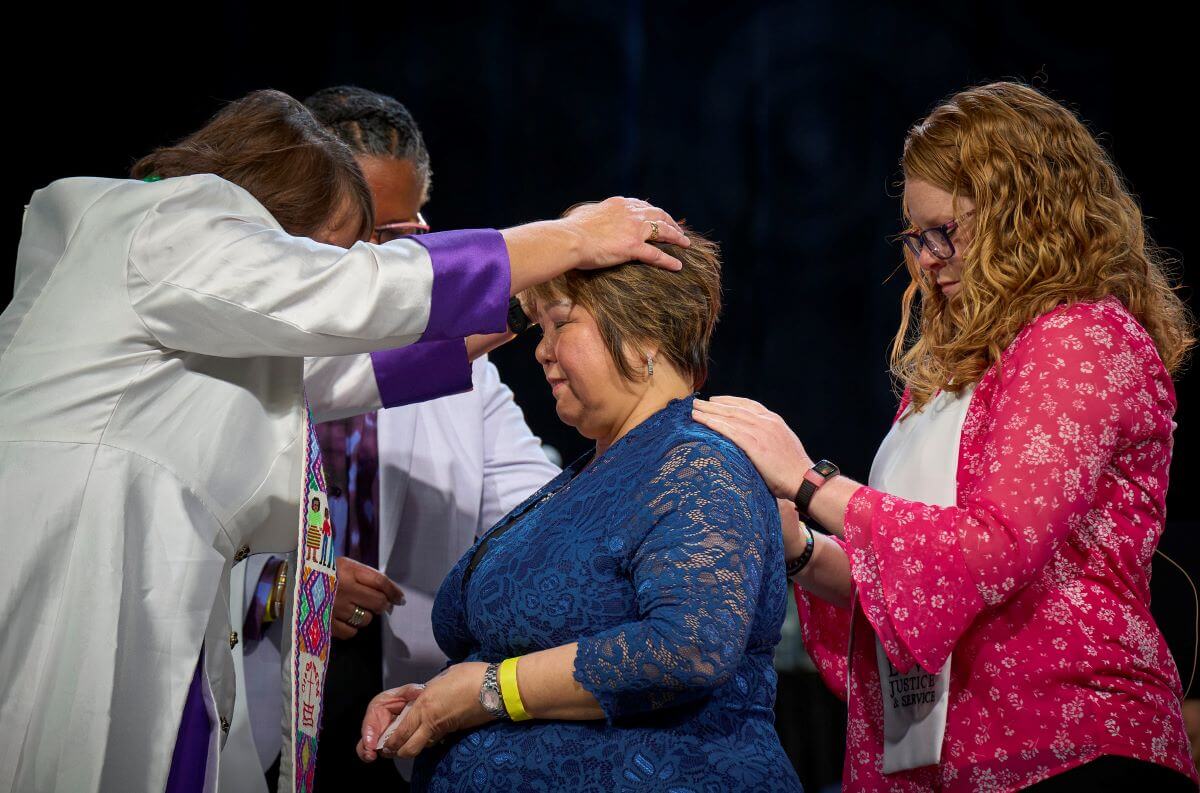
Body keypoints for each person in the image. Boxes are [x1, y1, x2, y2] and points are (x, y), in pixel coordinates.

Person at [0, 88, 688, 793]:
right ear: (271, 220)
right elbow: (352, 305)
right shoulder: (165, 223)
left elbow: (342, 372)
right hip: (83, 565)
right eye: (340, 251)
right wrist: (570, 239)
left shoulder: (198, 303)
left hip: (160, 598)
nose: (353, 266)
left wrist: (531, 302)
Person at [691, 82, 1199, 790]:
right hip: (951, 758)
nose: (927, 259)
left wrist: (812, 482)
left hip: (1070, 747)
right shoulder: (961, 376)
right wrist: (799, 546)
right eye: (915, 235)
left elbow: (994, 547)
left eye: (945, 232)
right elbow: (915, 580)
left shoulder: (1080, 338)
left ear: (1027, 218)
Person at [357, 228, 804, 792]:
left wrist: (491, 690)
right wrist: (436, 700)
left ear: (644, 332)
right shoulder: (594, 473)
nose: (541, 350)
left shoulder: (695, 464)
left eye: (561, 323)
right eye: (539, 329)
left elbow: (689, 645)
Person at [221, 86, 559, 792]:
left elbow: (535, 511)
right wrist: (288, 583)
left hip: (400, 705)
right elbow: (165, 544)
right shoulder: (233, 359)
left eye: (399, 237)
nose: (376, 264)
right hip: (254, 691)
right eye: (354, 234)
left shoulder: (465, 370)